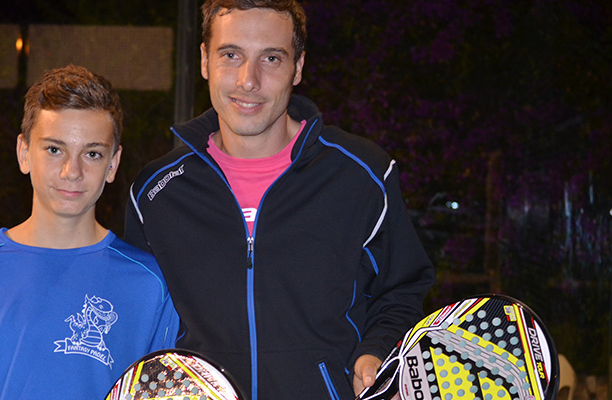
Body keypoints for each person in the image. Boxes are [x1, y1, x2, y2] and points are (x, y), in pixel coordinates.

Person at [123, 1, 435, 399]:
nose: (248, 80)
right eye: (230, 55)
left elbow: (402, 289)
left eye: (271, 58)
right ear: (204, 61)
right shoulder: (156, 192)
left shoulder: (362, 175)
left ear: (298, 67)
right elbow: (140, 320)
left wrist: (376, 349)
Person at [0, 64, 180, 399]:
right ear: (24, 153)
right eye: (54, 149)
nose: (72, 171)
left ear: (113, 164)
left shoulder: (151, 284)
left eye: (92, 154)